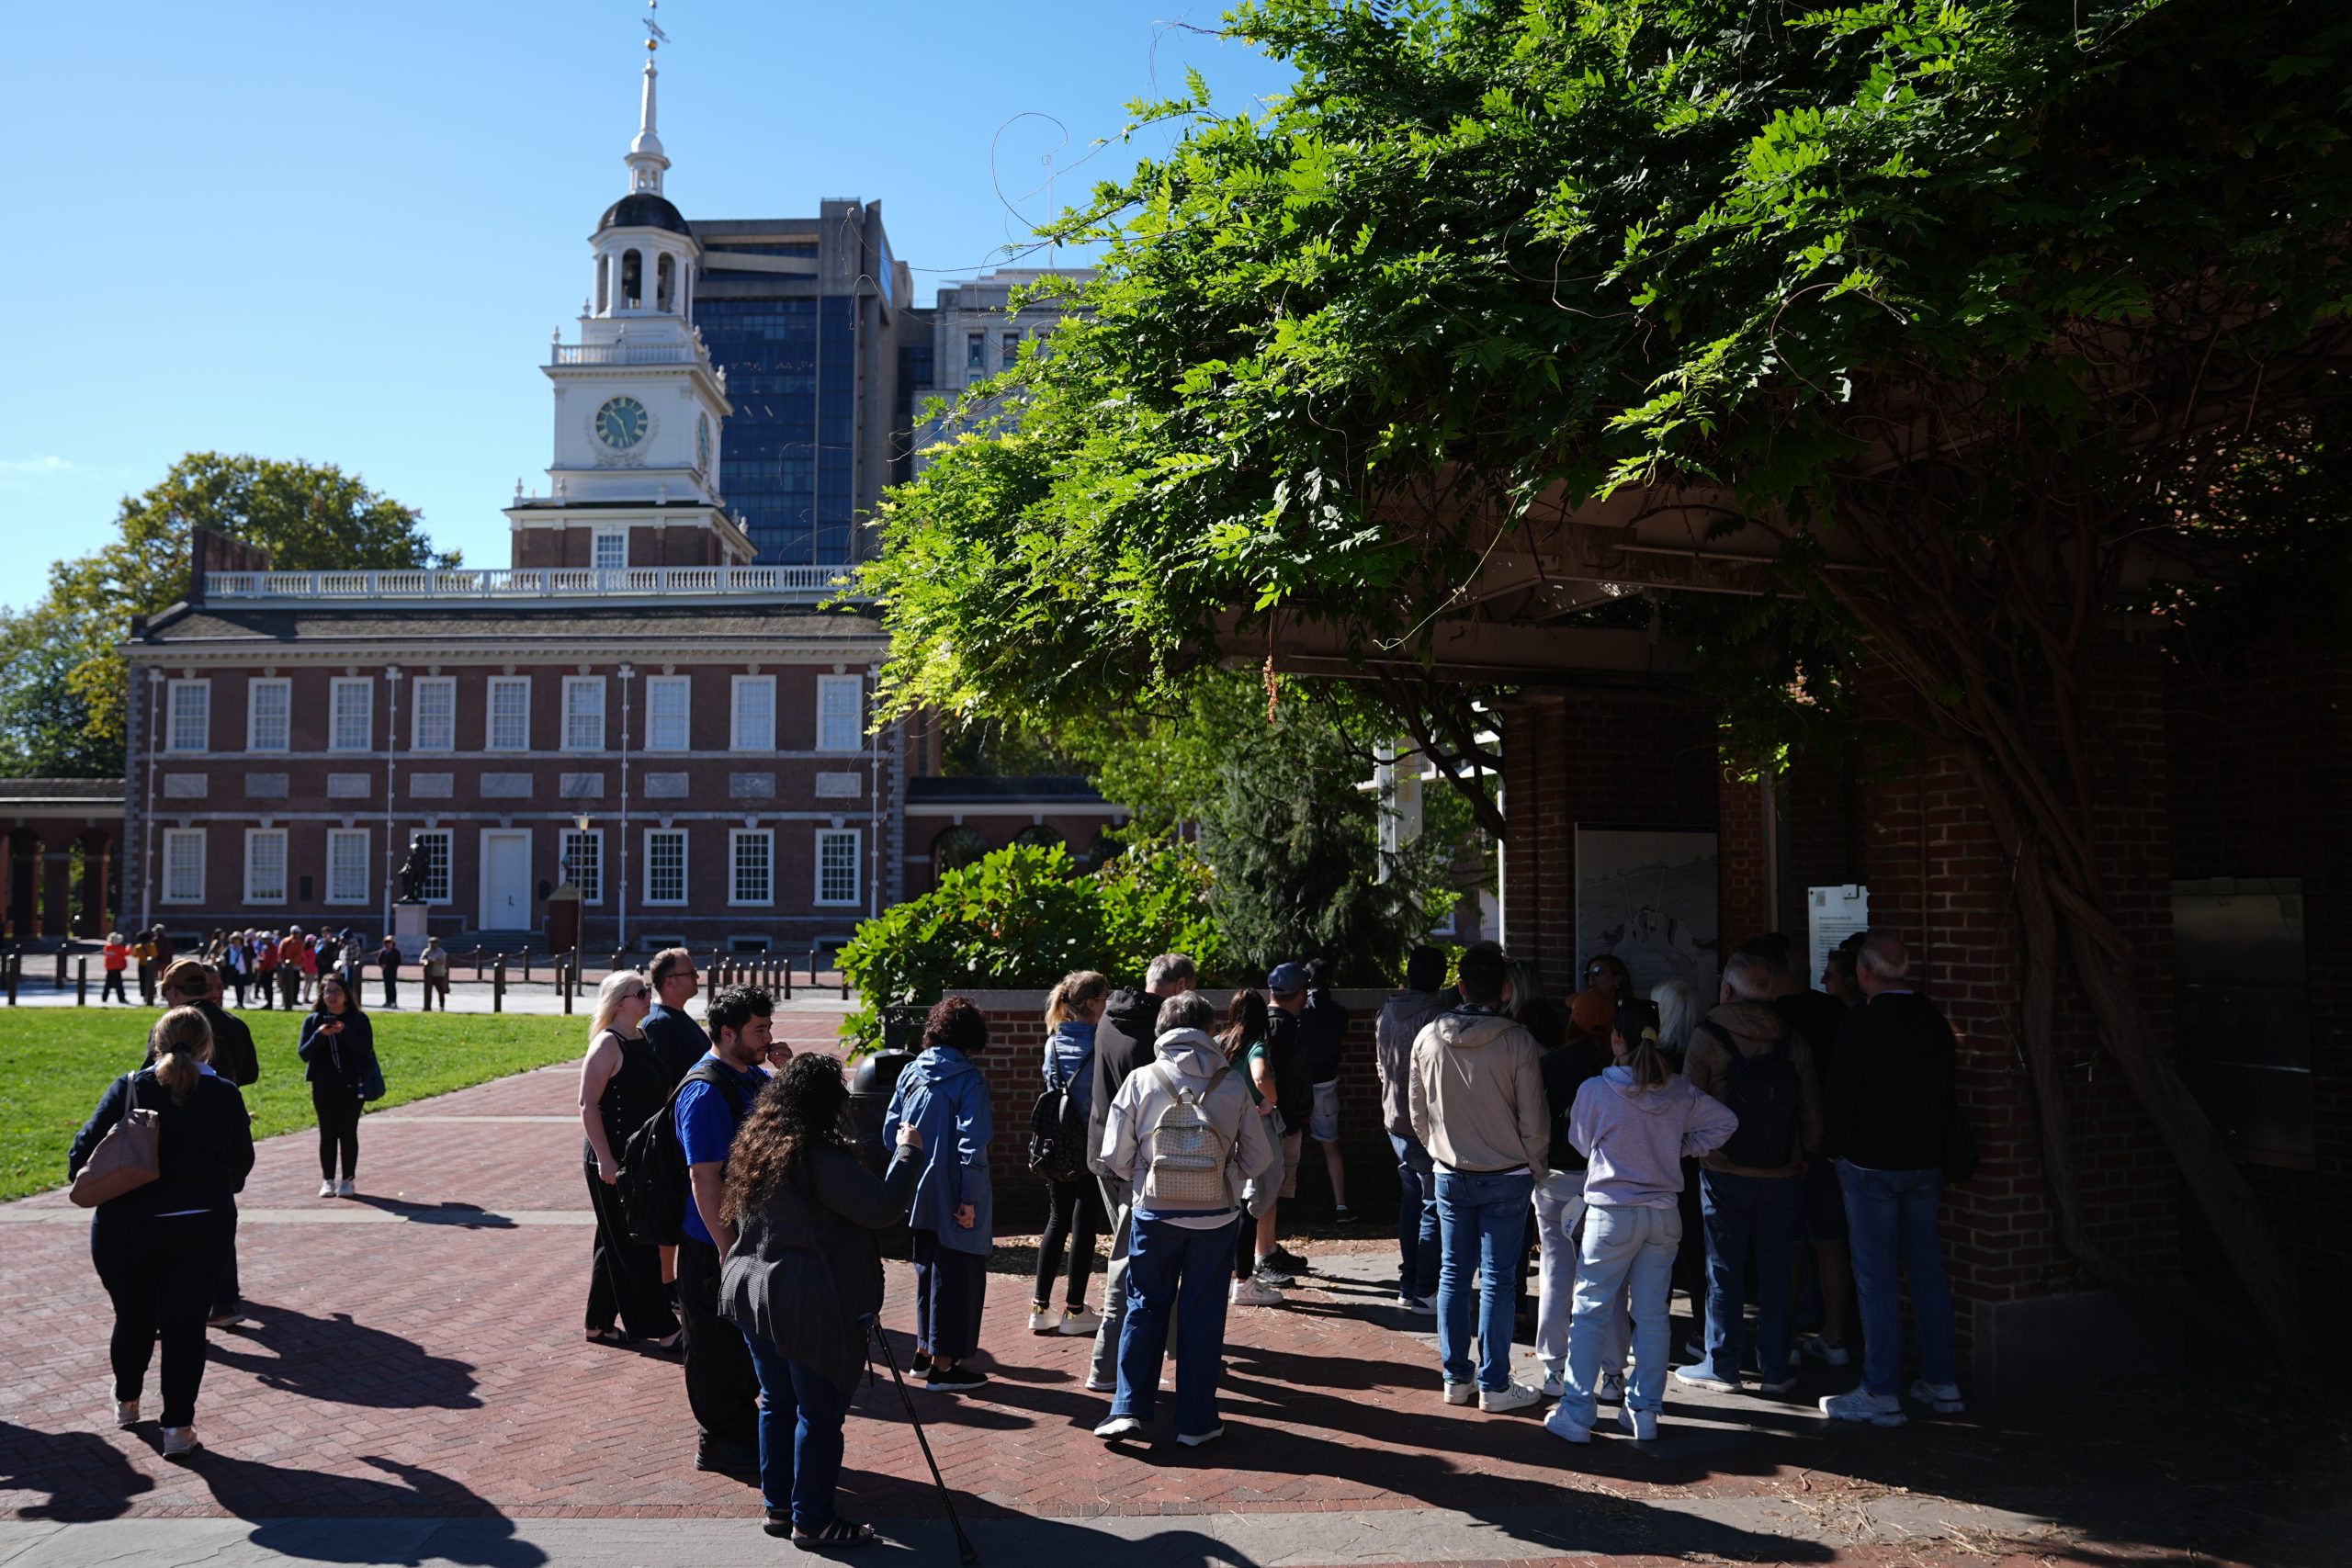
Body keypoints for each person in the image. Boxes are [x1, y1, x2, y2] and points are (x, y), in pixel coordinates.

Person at [721, 1053, 925, 1548]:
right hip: (799, 1296)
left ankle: (780, 1507)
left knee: (777, 1401)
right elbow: (879, 1208)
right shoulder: (816, 1156)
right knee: (818, 1411)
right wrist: (908, 1152)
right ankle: (811, 1519)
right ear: (826, 1104)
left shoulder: (759, 1144)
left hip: (751, 1287)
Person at [1548, 998, 1737, 1445]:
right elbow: (1725, 1122)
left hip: (1612, 1213)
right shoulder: (1679, 1090)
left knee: (1591, 1312)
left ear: (1616, 1039)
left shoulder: (1596, 1090)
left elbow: (1579, 1143)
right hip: (1663, 1214)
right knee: (1653, 1317)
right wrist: (1680, 1148)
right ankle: (1645, 1410)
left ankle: (1577, 1412)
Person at [1091, 990, 1276, 1447]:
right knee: (1202, 1314)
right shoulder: (1231, 1084)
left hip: (1154, 1214)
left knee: (1144, 1305)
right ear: (1208, 1029)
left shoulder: (1142, 1079)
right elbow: (1259, 1158)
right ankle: (1196, 1421)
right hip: (1215, 1218)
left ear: (1163, 1029)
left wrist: (1144, 1178)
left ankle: (1129, 1408)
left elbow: (1113, 1153)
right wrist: (1224, 1172)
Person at [71, 1006, 255, 1458]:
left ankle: (127, 1401)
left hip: (125, 1226)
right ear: (208, 1045)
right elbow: (242, 1163)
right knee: (185, 1327)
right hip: (199, 1223)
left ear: (157, 1041)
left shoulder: (130, 1087)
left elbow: (82, 1153)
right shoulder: (223, 1094)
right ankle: (177, 1427)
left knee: (132, 1316)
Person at [1818, 931, 1964, 1426]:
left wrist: (1831, 1150)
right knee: (1927, 1273)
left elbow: (1841, 1097)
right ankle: (1942, 1381)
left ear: (1864, 974)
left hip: (1870, 1164)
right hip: (1926, 1161)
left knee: (1877, 1279)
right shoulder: (1934, 1020)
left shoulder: (1861, 1025)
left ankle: (1880, 1390)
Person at [1408, 941, 1551, 1413]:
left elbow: (1417, 1110)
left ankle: (1456, 1376)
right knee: (1498, 1280)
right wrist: (1537, 1165)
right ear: (1506, 990)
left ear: (1461, 986)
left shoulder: (1428, 1037)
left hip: (1451, 1170)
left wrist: (1438, 1151)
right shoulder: (1517, 1042)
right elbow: (1534, 1118)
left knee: (1454, 1274)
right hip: (1507, 1174)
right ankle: (1494, 1382)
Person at [1675, 952, 1823, 1397]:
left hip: (1724, 1168)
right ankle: (1776, 1368)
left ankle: (1722, 1365)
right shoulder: (1792, 1038)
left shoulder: (1708, 1036)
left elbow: (1686, 1101)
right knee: (1777, 1270)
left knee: (1724, 1268)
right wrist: (1809, 1153)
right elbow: (1811, 1103)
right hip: (1782, 1169)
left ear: (1726, 990)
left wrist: (1689, 1150)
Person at [1084, 953, 1197, 1394]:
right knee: (1132, 1263)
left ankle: (1171, 1348)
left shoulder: (1112, 1015)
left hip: (1103, 1153)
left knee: (1143, 1256)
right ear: (1180, 985)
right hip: (1141, 1163)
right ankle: (1108, 1365)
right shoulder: (1158, 1035)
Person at [675, 984, 773, 1479]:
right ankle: (719, 1441)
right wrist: (724, 1245)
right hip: (711, 1243)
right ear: (727, 1032)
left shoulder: (750, 1074)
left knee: (740, 1347)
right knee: (714, 1348)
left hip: (743, 1238)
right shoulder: (704, 1091)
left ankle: (742, 1430)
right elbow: (704, 1175)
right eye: (759, 1030)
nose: (768, 1037)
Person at [884, 997, 996, 1393]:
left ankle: (924, 1353)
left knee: (926, 1269)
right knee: (958, 1276)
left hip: (916, 1187)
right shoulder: (969, 1081)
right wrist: (970, 1200)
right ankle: (945, 1368)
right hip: (954, 1190)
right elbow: (972, 1146)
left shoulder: (912, 1072)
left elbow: (890, 1132)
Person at [579, 970, 681, 1349]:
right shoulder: (607, 1044)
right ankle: (663, 1328)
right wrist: (606, 1160)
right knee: (635, 1242)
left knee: (612, 1237)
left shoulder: (640, 1036)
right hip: (613, 1158)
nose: (648, 997)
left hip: (639, 1156)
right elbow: (588, 1105)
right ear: (620, 1001)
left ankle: (598, 1323)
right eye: (641, 993)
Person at [153, 959, 258, 1325]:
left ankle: (163, 1312)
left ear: (174, 991)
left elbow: (152, 1081)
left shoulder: (171, 1026)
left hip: (173, 1140)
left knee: (164, 1229)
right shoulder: (234, 1023)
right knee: (217, 1219)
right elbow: (251, 1074)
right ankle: (226, 1302)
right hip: (221, 1134)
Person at [1534, 989, 1617, 1399]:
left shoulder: (1549, 1065)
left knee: (1555, 1272)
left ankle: (1554, 1369)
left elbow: (1533, 1120)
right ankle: (1615, 1373)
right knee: (1609, 1279)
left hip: (1555, 1178)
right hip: (1605, 1180)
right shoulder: (1616, 1070)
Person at [1032, 971, 1108, 1337]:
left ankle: (1040, 1307)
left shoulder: (1052, 1043)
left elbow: (1050, 1087)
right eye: (1105, 997)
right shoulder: (1102, 1043)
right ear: (1092, 1003)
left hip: (1058, 1145)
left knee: (1055, 1221)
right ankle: (1075, 1312)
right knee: (1084, 1229)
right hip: (1091, 1146)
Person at [1374, 946, 1450, 1312]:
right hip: (1427, 1125)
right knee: (1433, 1204)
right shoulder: (1438, 1017)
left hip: (1395, 1119)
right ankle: (1424, 1288)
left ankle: (1409, 1285)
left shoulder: (1387, 1011)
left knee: (1413, 1201)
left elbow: (1379, 1065)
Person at [1216, 987, 1286, 1307]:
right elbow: (1260, 1075)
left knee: (1228, 1202)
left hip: (1222, 1129)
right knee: (1250, 1203)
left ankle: (1231, 1271)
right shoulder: (1256, 1045)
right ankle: (1244, 1280)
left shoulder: (1220, 1043)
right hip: (1251, 1129)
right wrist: (1271, 1101)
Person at [1256, 963, 1317, 1283]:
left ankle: (1268, 1246)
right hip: (1279, 1123)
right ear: (1301, 993)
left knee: (1274, 1189)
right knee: (1268, 1190)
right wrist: (1285, 1114)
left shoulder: (1274, 1023)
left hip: (1282, 1120)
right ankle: (1263, 1256)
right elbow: (1272, 1078)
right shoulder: (1282, 1028)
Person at [298, 974, 376, 1198]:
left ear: (346, 995)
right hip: (323, 1085)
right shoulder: (313, 1021)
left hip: (352, 1085)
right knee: (327, 1133)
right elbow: (304, 1054)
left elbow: (364, 1049)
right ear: (321, 995)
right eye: (327, 992)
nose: (332, 996)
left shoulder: (358, 1019)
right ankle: (328, 1180)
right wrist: (320, 1035)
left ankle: (348, 1179)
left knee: (348, 1132)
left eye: (336, 991)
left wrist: (345, 1032)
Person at [1297, 956, 1352, 1223]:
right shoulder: (1339, 1012)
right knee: (1331, 1147)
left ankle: (1281, 1206)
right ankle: (1341, 1205)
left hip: (1300, 1085)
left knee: (1288, 1146)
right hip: (1328, 1084)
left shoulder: (1300, 1011)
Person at [643, 947, 709, 1086]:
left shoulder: (675, 1015)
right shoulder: (659, 1024)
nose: (697, 977)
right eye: (692, 973)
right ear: (670, 982)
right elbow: (660, 1085)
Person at [100, 931, 131, 1005]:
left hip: (109, 968)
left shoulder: (107, 947)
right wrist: (128, 948)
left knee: (107, 984)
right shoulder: (119, 948)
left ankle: (104, 998)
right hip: (117, 968)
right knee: (119, 984)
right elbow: (126, 953)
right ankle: (121, 998)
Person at [277, 928, 304, 1010]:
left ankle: (294, 999)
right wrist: (285, 962)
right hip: (287, 966)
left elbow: (300, 954)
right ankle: (287, 1000)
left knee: (296, 983)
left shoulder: (300, 942)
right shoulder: (286, 941)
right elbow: (281, 953)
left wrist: (297, 962)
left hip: (295, 966)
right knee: (286, 984)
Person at [421, 936, 450, 1011]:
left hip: (438, 974)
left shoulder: (441, 952)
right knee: (427, 991)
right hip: (429, 975)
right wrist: (426, 962)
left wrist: (433, 961)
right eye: (430, 943)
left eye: (433, 943)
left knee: (440, 990)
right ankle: (427, 1006)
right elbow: (421, 960)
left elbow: (442, 962)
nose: (431, 945)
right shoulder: (426, 951)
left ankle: (442, 1005)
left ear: (437, 944)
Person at [250, 931, 277, 1010]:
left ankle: (270, 1003)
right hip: (262, 969)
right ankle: (268, 1003)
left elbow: (273, 960)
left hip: (268, 971)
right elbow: (263, 957)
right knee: (265, 987)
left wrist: (269, 969)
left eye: (266, 939)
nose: (265, 940)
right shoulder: (265, 947)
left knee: (268, 987)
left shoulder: (273, 948)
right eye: (264, 939)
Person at [131, 930, 157, 1007]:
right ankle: (150, 993)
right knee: (150, 980)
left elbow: (134, 955)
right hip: (150, 965)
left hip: (141, 965)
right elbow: (155, 954)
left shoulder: (138, 947)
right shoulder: (152, 945)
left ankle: (143, 995)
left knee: (142, 981)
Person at [376, 934, 402, 1010]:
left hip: (393, 971)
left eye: (389, 942)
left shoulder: (396, 952)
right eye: (386, 942)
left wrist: (394, 967)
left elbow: (399, 961)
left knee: (392, 986)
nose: (388, 944)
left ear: (393, 943)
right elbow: (379, 960)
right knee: (387, 986)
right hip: (385, 971)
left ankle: (393, 1002)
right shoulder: (383, 952)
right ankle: (388, 1001)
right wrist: (382, 966)